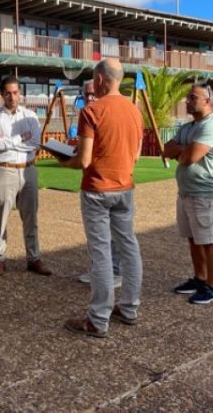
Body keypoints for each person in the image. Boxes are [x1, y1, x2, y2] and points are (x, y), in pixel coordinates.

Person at [60, 58, 143, 337]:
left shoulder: (92, 110)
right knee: (129, 247)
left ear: (99, 80)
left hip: (97, 189)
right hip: (125, 186)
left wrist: (64, 160)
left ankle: (98, 318)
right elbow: (136, 154)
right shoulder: (134, 110)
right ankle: (129, 307)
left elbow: (83, 160)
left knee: (101, 253)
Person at [163, 83, 213, 304]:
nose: (187, 101)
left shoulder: (211, 127)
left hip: (205, 194)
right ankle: (200, 278)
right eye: (188, 97)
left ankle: (212, 287)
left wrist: (182, 150)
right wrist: (185, 148)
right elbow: (166, 149)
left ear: (207, 101)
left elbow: (187, 158)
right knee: (193, 239)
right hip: (187, 193)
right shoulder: (189, 127)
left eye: (192, 97)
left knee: (209, 241)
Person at [0, 75, 51, 277]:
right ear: (2, 94)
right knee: (1, 216)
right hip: (4, 170)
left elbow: (35, 144)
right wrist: (20, 137)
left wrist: (7, 140)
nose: (12, 97)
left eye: (15, 92)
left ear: (19, 93)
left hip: (28, 169)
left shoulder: (30, 116)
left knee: (31, 216)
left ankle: (33, 258)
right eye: (8, 93)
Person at [76, 79, 122, 289]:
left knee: (110, 234)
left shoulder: (104, 113)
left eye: (93, 93)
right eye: (87, 94)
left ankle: (114, 272)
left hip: (106, 183)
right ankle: (99, 269)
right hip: (95, 180)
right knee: (96, 233)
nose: (90, 97)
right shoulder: (88, 114)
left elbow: (85, 158)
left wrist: (68, 160)